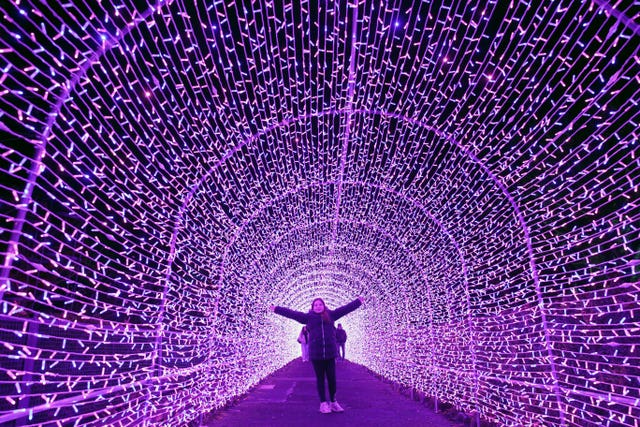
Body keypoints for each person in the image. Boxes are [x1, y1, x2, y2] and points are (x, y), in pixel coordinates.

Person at [270, 296, 364, 414]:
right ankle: (323, 403)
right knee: (320, 379)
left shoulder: (331, 315)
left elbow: (345, 309)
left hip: (330, 353)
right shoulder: (308, 318)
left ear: (324, 306)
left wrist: (358, 302)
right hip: (316, 354)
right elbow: (292, 314)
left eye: (320, 305)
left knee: (332, 379)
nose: (318, 307)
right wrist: (277, 309)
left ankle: (333, 402)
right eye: (316, 305)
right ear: (312, 307)